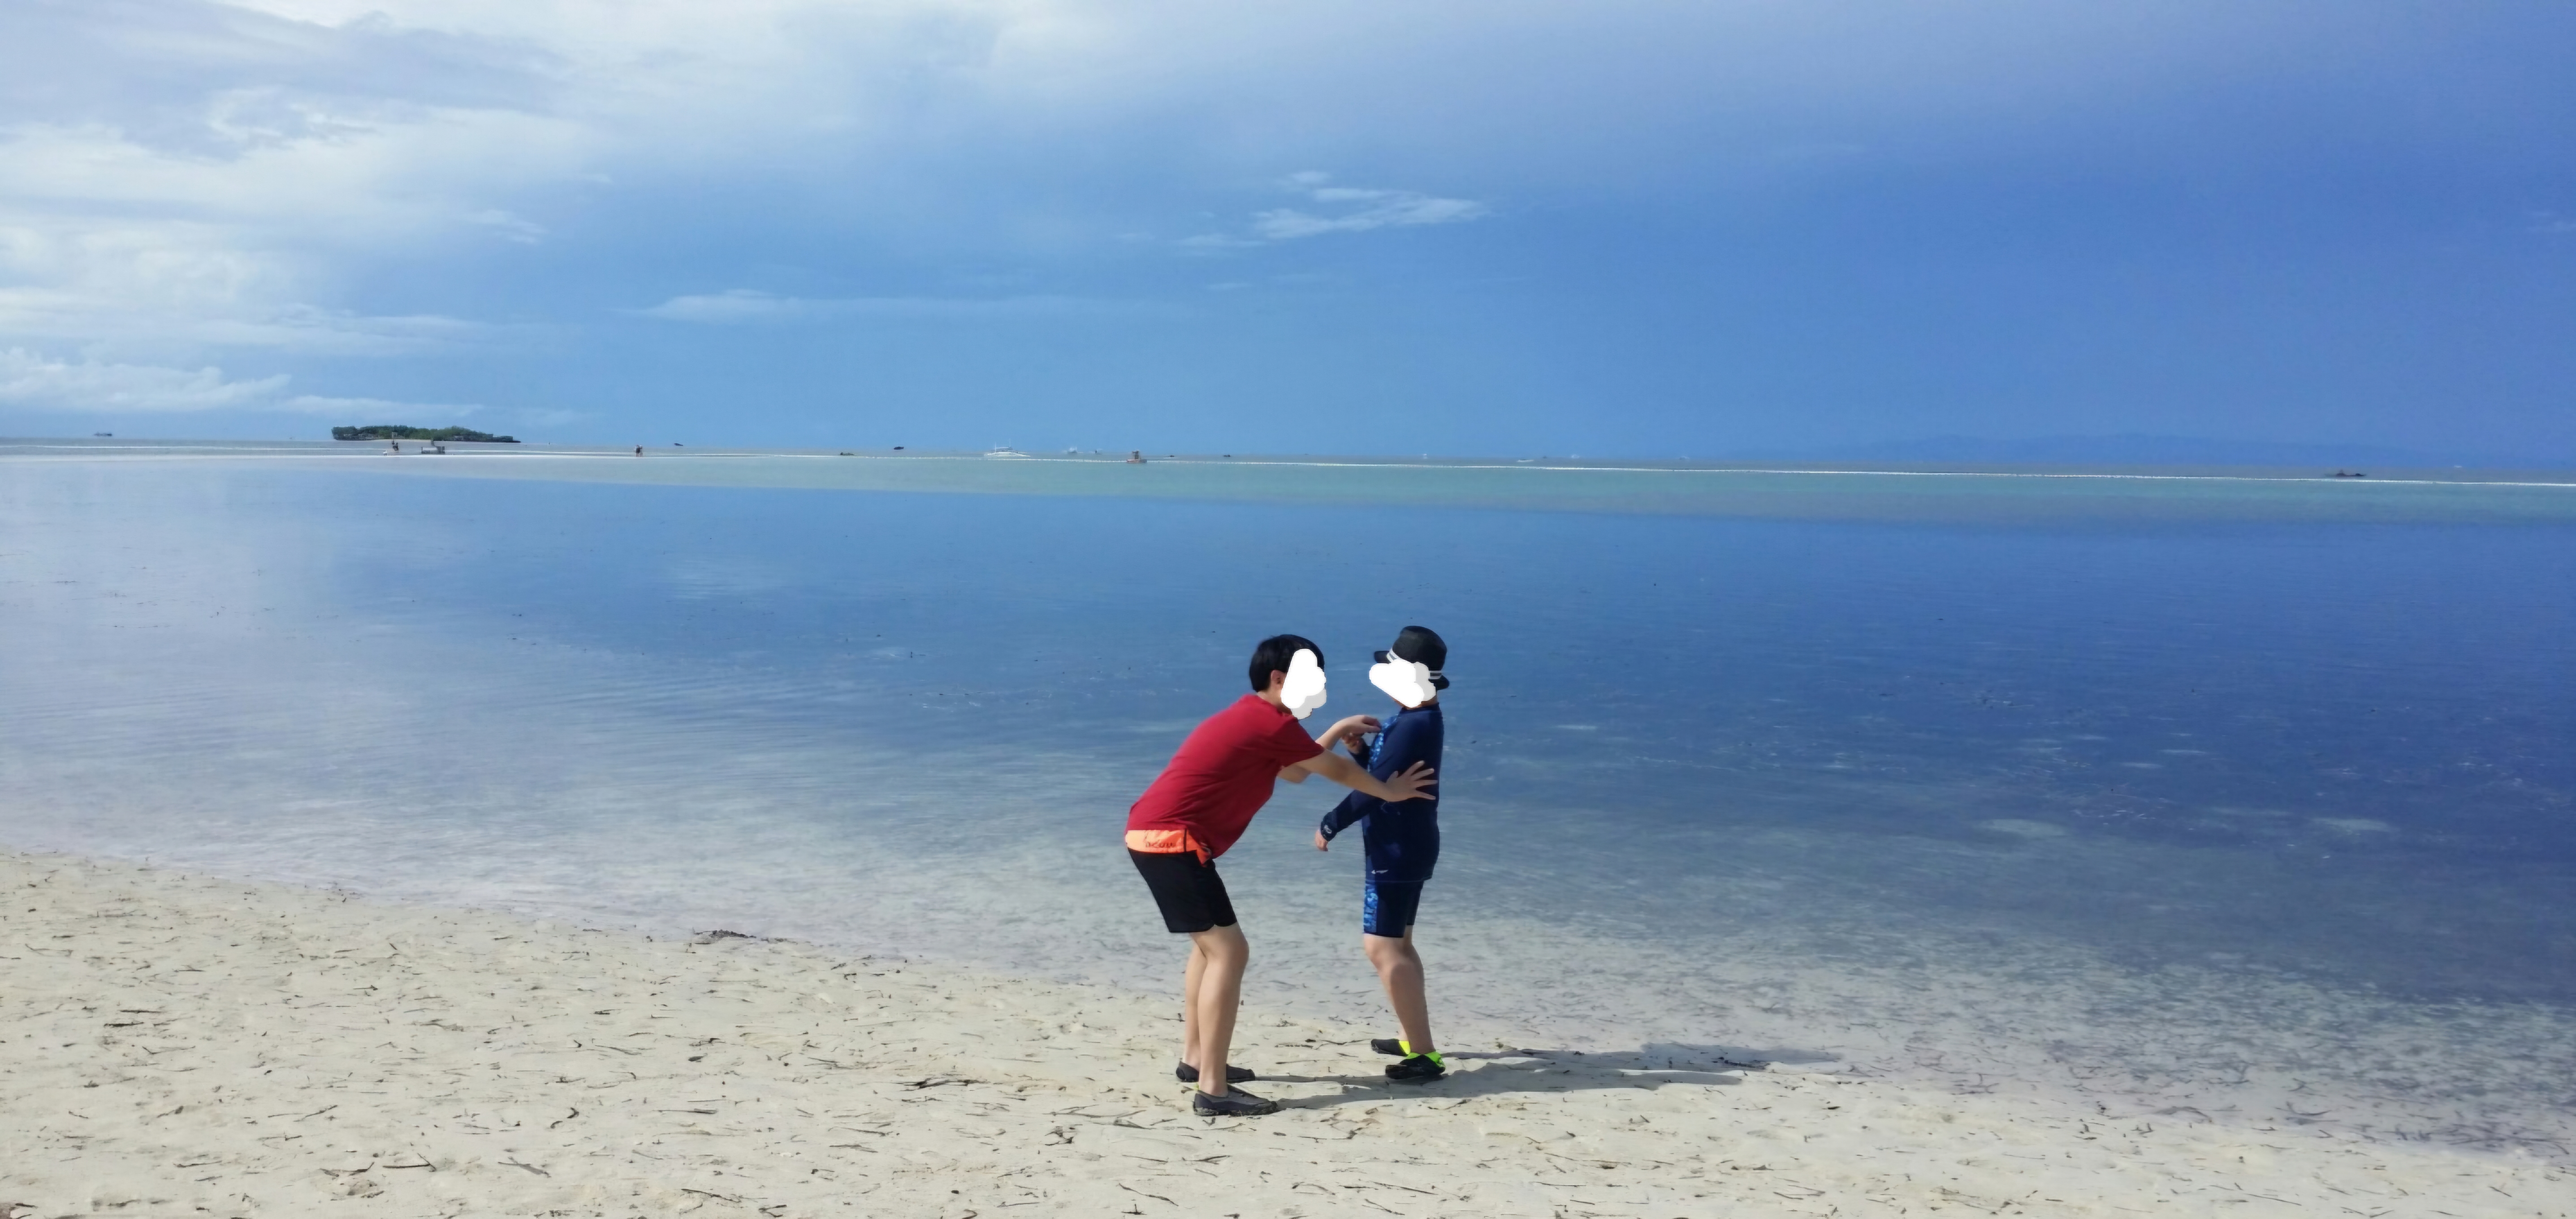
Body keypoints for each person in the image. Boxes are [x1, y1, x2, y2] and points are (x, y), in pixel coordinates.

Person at [1127, 634, 1436, 1116]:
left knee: (1208, 949)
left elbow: (1295, 771)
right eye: (1313, 679)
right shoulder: (1268, 722)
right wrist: (1390, 792)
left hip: (1154, 836)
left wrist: (1337, 728)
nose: (1320, 688)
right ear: (1279, 679)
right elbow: (1334, 772)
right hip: (1174, 841)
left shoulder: (1258, 719)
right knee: (1230, 951)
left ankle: (1196, 1060)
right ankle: (1213, 1089)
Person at [1315, 625, 1449, 1082]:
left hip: (1397, 849)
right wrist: (1361, 753)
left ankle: (1425, 1055)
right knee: (1400, 945)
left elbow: (1374, 791)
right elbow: (1385, 777)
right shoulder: (1416, 717)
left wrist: (1331, 822)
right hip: (1407, 845)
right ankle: (1414, 1037)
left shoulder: (1414, 724)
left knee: (1381, 947)